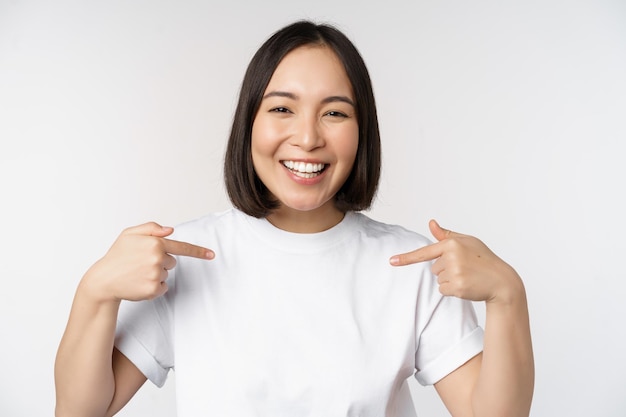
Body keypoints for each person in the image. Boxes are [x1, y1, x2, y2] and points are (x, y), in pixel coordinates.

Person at [54, 20, 534, 417]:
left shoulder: (411, 266)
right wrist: (95, 291)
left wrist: (508, 295)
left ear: (362, 133)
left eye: (335, 113)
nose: (307, 138)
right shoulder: (183, 258)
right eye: (282, 108)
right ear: (249, 123)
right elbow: (81, 410)